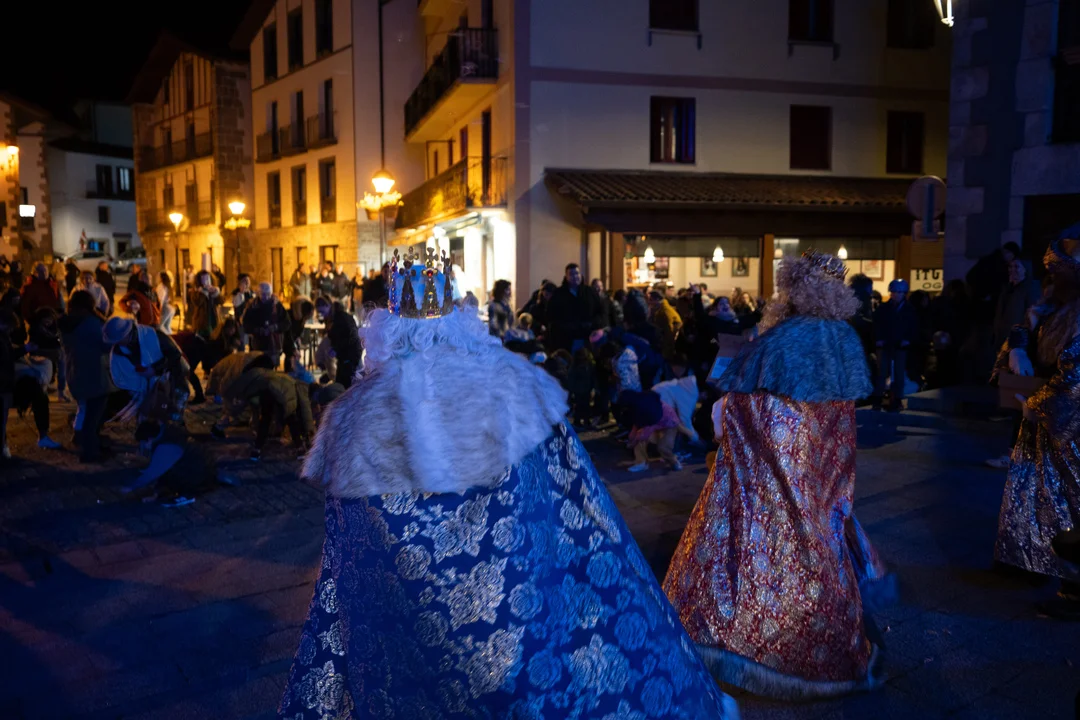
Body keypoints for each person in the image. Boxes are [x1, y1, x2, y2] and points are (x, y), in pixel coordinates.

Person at [277, 248, 738, 719]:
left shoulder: (353, 414)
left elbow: (350, 552)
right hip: (518, 613)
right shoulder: (513, 386)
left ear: (385, 329)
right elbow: (574, 497)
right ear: (459, 318)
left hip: (410, 640)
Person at [663, 251, 893, 699]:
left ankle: (754, 644)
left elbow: (758, 409)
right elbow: (837, 413)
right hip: (822, 468)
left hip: (773, 469)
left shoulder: (786, 337)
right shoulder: (844, 336)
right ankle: (829, 646)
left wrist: (729, 412)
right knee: (821, 535)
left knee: (767, 541)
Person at [995, 227, 1080, 620]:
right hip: (1042, 420)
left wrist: (1039, 405)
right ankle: (1030, 560)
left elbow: (1075, 376)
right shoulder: (1054, 303)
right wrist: (1017, 347)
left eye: (1059, 271)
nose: (1053, 279)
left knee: (1069, 500)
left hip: (1068, 427)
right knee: (1036, 495)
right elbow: (1024, 330)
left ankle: (1075, 587)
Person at [59, 291, 116, 462]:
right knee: (94, 416)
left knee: (87, 411)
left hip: (76, 373)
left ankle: (88, 443)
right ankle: (90, 452)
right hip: (94, 374)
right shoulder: (91, 323)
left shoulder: (67, 323)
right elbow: (106, 344)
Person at [873, 278, 917, 411]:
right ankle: (878, 398)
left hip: (900, 345)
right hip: (886, 343)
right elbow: (877, 325)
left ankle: (897, 398)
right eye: (894, 292)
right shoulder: (883, 308)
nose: (896, 295)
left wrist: (907, 339)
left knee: (899, 372)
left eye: (899, 292)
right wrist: (879, 338)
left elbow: (913, 327)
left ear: (904, 294)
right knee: (882, 372)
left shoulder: (909, 309)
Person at [314, 296, 361, 388]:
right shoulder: (333, 318)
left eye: (322, 311)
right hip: (345, 356)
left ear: (328, 306)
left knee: (344, 385)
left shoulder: (341, 318)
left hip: (350, 357)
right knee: (342, 384)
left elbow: (350, 337)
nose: (322, 314)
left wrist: (336, 349)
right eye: (319, 312)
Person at [241, 282, 288, 368]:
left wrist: (275, 327)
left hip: (273, 344)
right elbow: (245, 325)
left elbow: (286, 323)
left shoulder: (276, 305)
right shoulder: (252, 306)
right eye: (263, 294)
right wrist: (257, 330)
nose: (266, 297)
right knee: (258, 369)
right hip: (257, 345)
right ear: (258, 293)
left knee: (271, 369)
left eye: (268, 294)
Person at [187, 269, 223, 339]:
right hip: (201, 321)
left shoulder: (213, 290)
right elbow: (197, 302)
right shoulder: (196, 291)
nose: (206, 281)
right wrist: (203, 292)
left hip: (214, 318)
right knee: (204, 338)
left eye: (208, 278)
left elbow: (221, 301)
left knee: (214, 337)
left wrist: (216, 292)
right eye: (203, 279)